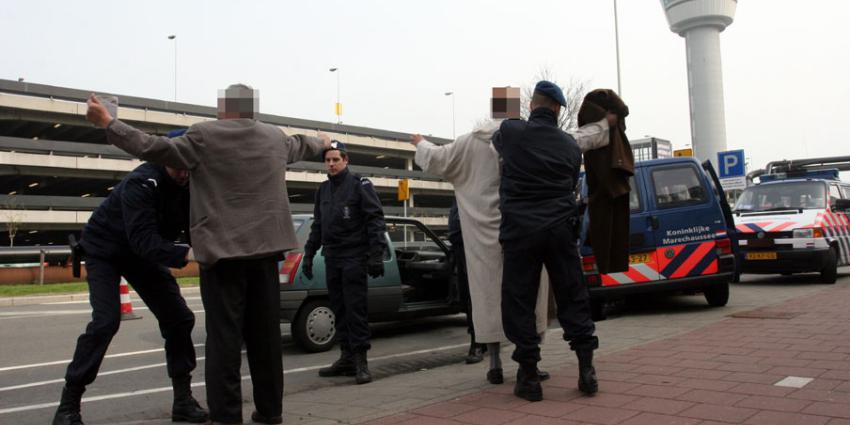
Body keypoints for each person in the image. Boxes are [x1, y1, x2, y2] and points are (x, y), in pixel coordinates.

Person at [85, 84, 330, 425]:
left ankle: (227, 417)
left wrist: (109, 124)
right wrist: (324, 141)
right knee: (265, 339)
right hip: (265, 256)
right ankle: (270, 412)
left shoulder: (203, 136)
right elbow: (305, 143)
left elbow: (153, 147)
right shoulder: (274, 137)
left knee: (224, 343)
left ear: (223, 109)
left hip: (222, 258)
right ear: (252, 110)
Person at [411, 86, 613, 386]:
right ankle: (582, 368)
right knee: (560, 298)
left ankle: (511, 370)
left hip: (507, 235)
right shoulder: (560, 141)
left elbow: (437, 157)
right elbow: (584, 139)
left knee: (505, 301)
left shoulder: (483, 140)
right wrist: (605, 124)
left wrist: (420, 143)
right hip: (553, 230)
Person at [52, 162, 207, 425]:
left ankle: (183, 400)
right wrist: (188, 254)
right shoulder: (142, 182)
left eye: (188, 168)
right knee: (105, 322)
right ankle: (68, 406)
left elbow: (195, 227)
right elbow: (143, 240)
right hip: (105, 250)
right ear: (164, 159)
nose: (183, 174)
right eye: (177, 167)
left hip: (142, 255)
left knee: (179, 318)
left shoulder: (191, 185)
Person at [493, 81, 616, 402]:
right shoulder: (569, 145)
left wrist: (505, 100)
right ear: (558, 109)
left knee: (519, 299)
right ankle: (586, 369)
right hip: (561, 230)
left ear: (532, 105)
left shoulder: (511, 132)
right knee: (572, 296)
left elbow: (497, 136)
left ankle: (530, 377)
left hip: (521, 232)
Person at [303, 140, 387, 385]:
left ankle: (361, 362)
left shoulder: (360, 185)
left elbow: (375, 220)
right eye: (328, 160)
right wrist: (309, 254)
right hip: (332, 257)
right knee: (339, 309)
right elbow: (318, 225)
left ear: (346, 161)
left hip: (354, 257)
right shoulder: (322, 191)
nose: (331, 164)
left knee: (355, 310)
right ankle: (346, 358)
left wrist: (376, 254)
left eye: (336, 160)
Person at [448, 201, 486, 364]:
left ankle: (479, 342)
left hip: (479, 248)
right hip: (462, 248)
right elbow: (455, 227)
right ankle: (478, 339)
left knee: (478, 298)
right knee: (469, 298)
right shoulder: (459, 196)